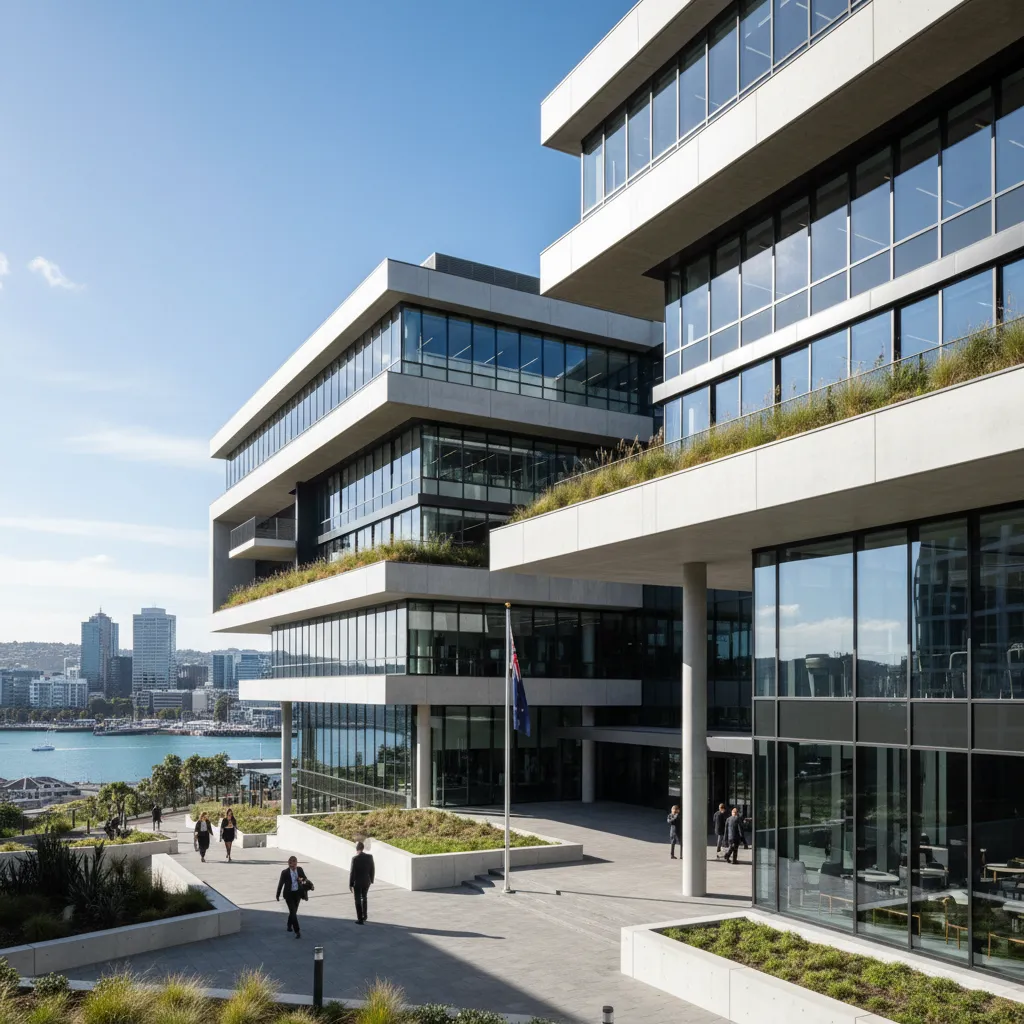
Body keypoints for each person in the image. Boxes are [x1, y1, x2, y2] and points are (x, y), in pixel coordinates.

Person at [276, 855, 308, 938]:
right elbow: (280, 884)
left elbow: (305, 879)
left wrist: (301, 879)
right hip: (288, 895)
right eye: (291, 865)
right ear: (288, 864)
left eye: (294, 865)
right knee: (293, 912)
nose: (292, 867)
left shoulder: (300, 870)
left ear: (296, 863)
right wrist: (278, 894)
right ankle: (297, 931)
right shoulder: (285, 872)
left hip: (297, 894)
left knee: (293, 912)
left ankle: (289, 925)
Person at [349, 840, 375, 924]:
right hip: (366, 881)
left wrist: (351, 884)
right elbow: (372, 869)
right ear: (363, 848)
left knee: (357, 900)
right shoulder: (369, 857)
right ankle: (365, 916)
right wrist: (371, 879)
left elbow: (352, 872)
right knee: (364, 897)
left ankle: (360, 919)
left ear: (357, 849)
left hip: (357, 882)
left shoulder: (355, 859)